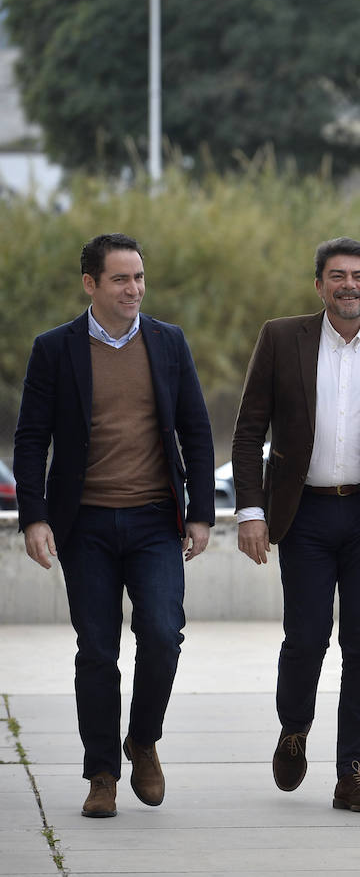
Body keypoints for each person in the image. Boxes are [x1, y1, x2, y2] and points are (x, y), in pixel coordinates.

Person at [13, 232, 215, 817]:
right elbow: (30, 440)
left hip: (155, 519)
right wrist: (35, 517)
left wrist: (200, 512)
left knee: (161, 635)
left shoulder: (168, 342)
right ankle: (101, 772)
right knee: (97, 650)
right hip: (87, 526)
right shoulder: (55, 349)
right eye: (121, 279)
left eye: (140, 278)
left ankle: (142, 740)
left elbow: (196, 431)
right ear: (91, 284)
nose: (134, 289)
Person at [231, 237, 360, 813]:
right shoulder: (282, 337)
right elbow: (247, 432)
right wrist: (252, 511)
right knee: (306, 638)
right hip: (305, 513)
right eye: (337, 276)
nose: (349, 285)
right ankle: (294, 729)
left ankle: (352, 771)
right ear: (319, 285)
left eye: (359, 275)